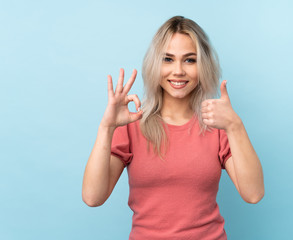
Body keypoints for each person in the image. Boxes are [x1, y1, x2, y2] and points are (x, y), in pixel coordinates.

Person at [82, 16, 264, 240]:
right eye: (168, 59)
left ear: (203, 65)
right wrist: (106, 128)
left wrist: (235, 126)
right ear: (155, 64)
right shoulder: (131, 124)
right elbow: (92, 197)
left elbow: (253, 194)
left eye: (189, 60)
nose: (178, 71)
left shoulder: (218, 124)